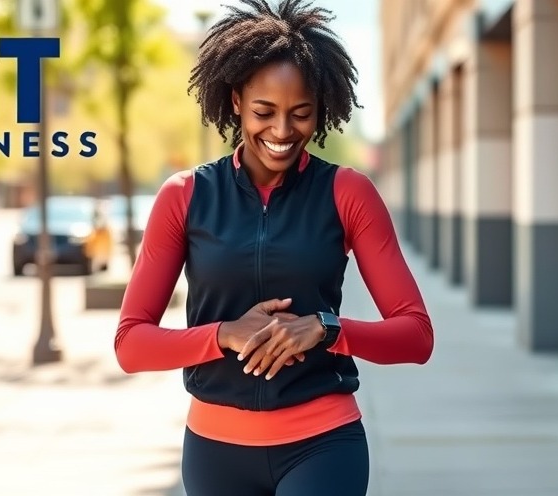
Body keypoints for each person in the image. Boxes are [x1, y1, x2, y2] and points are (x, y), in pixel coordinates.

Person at [115, 1, 434, 494]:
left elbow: (416, 335)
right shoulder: (186, 197)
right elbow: (131, 344)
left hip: (323, 446)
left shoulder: (347, 193)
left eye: (301, 114)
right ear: (237, 99)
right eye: (265, 111)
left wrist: (325, 329)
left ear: (321, 110)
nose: (283, 132)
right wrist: (223, 334)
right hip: (215, 451)